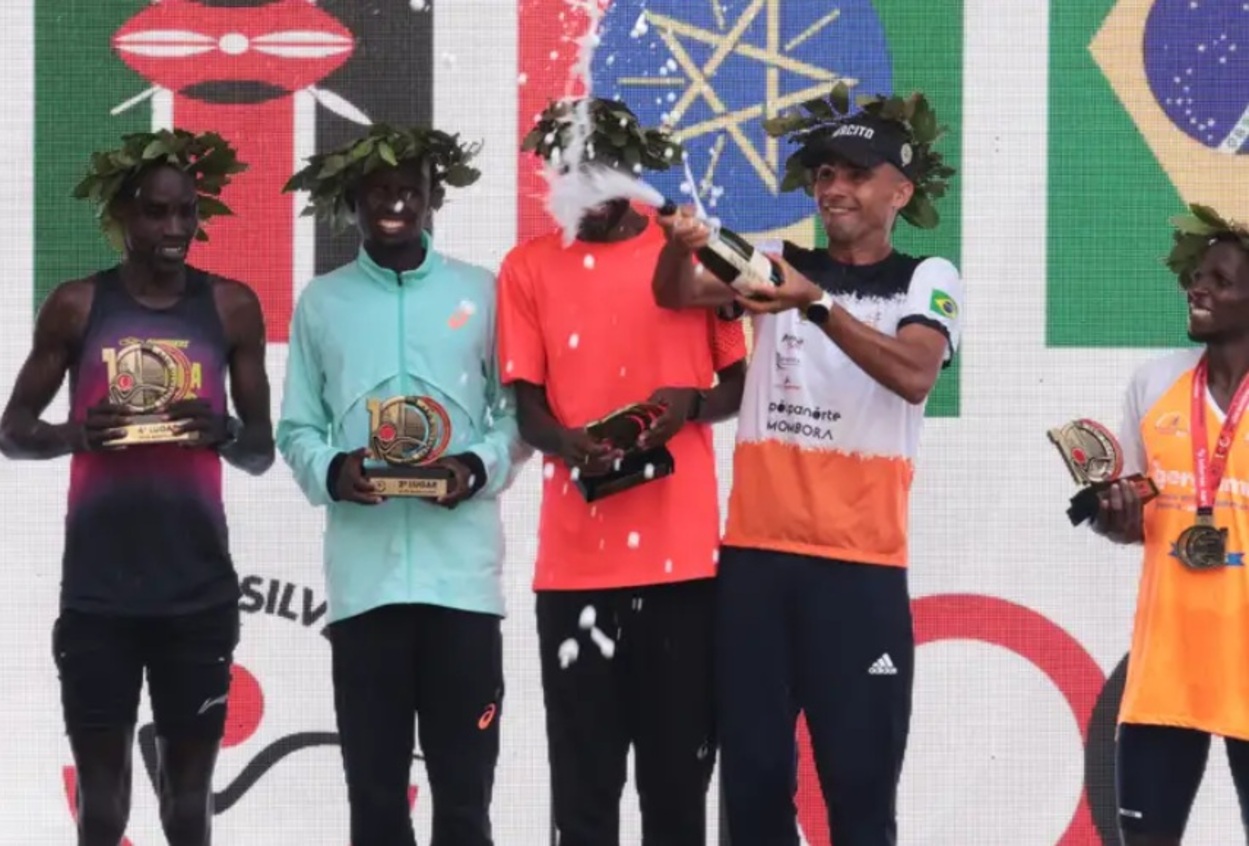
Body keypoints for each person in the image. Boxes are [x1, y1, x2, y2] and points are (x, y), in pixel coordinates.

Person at [653, 87, 963, 845]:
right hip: (756, 565)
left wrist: (815, 304)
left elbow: (914, 375)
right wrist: (677, 241)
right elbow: (673, 294)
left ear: (901, 190)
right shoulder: (778, 266)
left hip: (859, 569)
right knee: (753, 790)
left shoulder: (927, 278)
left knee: (859, 794)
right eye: (824, 173)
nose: (833, 188)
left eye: (856, 174)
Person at [0, 129, 273, 846]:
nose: (174, 229)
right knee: (103, 806)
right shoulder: (77, 306)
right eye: (156, 213)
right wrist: (73, 435)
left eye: (186, 212)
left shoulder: (231, 308)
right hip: (98, 599)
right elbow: (12, 431)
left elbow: (262, 451)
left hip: (198, 597)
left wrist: (220, 432)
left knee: (188, 808)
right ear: (123, 215)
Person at [497, 96, 747, 846]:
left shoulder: (693, 254)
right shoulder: (527, 266)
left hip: (685, 569)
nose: (583, 190)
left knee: (676, 791)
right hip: (574, 572)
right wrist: (567, 444)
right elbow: (526, 408)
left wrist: (691, 405)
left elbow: (738, 385)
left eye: (597, 173)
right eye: (568, 171)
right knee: (583, 793)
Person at [277, 123, 529, 846]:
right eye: (380, 190)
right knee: (377, 803)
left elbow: (516, 417)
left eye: (408, 191)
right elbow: (297, 427)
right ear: (353, 200)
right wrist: (335, 472)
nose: (395, 203)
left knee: (464, 801)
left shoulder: (481, 293)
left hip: (462, 590)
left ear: (432, 198)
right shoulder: (321, 302)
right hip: (366, 592)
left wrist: (474, 467)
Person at [1094, 205, 1249, 845]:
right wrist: (1117, 517)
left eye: (1220, 278)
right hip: (1166, 674)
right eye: (1196, 275)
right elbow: (1136, 520)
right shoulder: (1154, 382)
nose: (1198, 287)